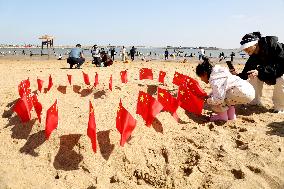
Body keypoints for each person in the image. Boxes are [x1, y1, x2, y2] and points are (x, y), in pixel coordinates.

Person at [231, 32, 284, 113]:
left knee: (281, 79)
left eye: (247, 47)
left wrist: (260, 71)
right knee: (252, 76)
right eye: (244, 48)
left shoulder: (275, 46)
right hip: (268, 74)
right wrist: (236, 75)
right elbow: (246, 73)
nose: (245, 50)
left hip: (280, 72)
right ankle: (255, 102)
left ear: (255, 44)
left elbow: (281, 67)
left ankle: (280, 107)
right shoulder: (253, 56)